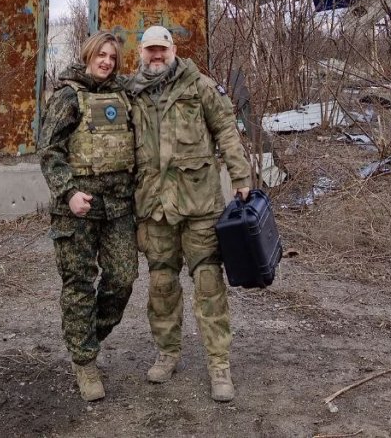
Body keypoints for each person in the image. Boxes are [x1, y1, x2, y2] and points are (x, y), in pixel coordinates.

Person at [127, 24, 251, 403]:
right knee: (162, 285)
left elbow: (227, 130)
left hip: (199, 204)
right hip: (154, 206)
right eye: (150, 50)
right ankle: (167, 353)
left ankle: (219, 365)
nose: (157, 56)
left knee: (209, 284)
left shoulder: (199, 86)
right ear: (141, 53)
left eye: (162, 49)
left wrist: (241, 174)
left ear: (173, 49)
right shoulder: (132, 92)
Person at [38, 30, 138, 403]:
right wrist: (68, 191)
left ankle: (86, 336)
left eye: (113, 57)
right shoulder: (68, 95)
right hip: (77, 208)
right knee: (79, 284)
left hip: (118, 207)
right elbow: (49, 150)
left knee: (123, 278)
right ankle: (85, 362)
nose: (107, 62)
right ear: (88, 55)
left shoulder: (124, 93)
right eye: (102, 55)